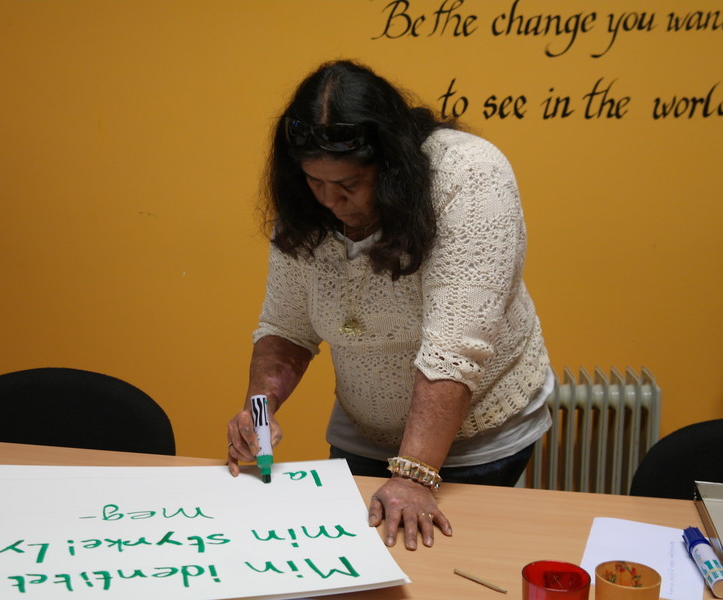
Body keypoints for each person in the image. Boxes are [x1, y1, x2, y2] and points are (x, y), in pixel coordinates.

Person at [226, 59, 552, 550]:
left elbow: (454, 349)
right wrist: (259, 409)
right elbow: (286, 328)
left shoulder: (468, 175)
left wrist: (414, 475)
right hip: (364, 427)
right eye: (315, 182)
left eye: (349, 186)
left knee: (440, 564)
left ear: (392, 166)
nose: (330, 201)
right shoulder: (305, 206)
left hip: (479, 435)